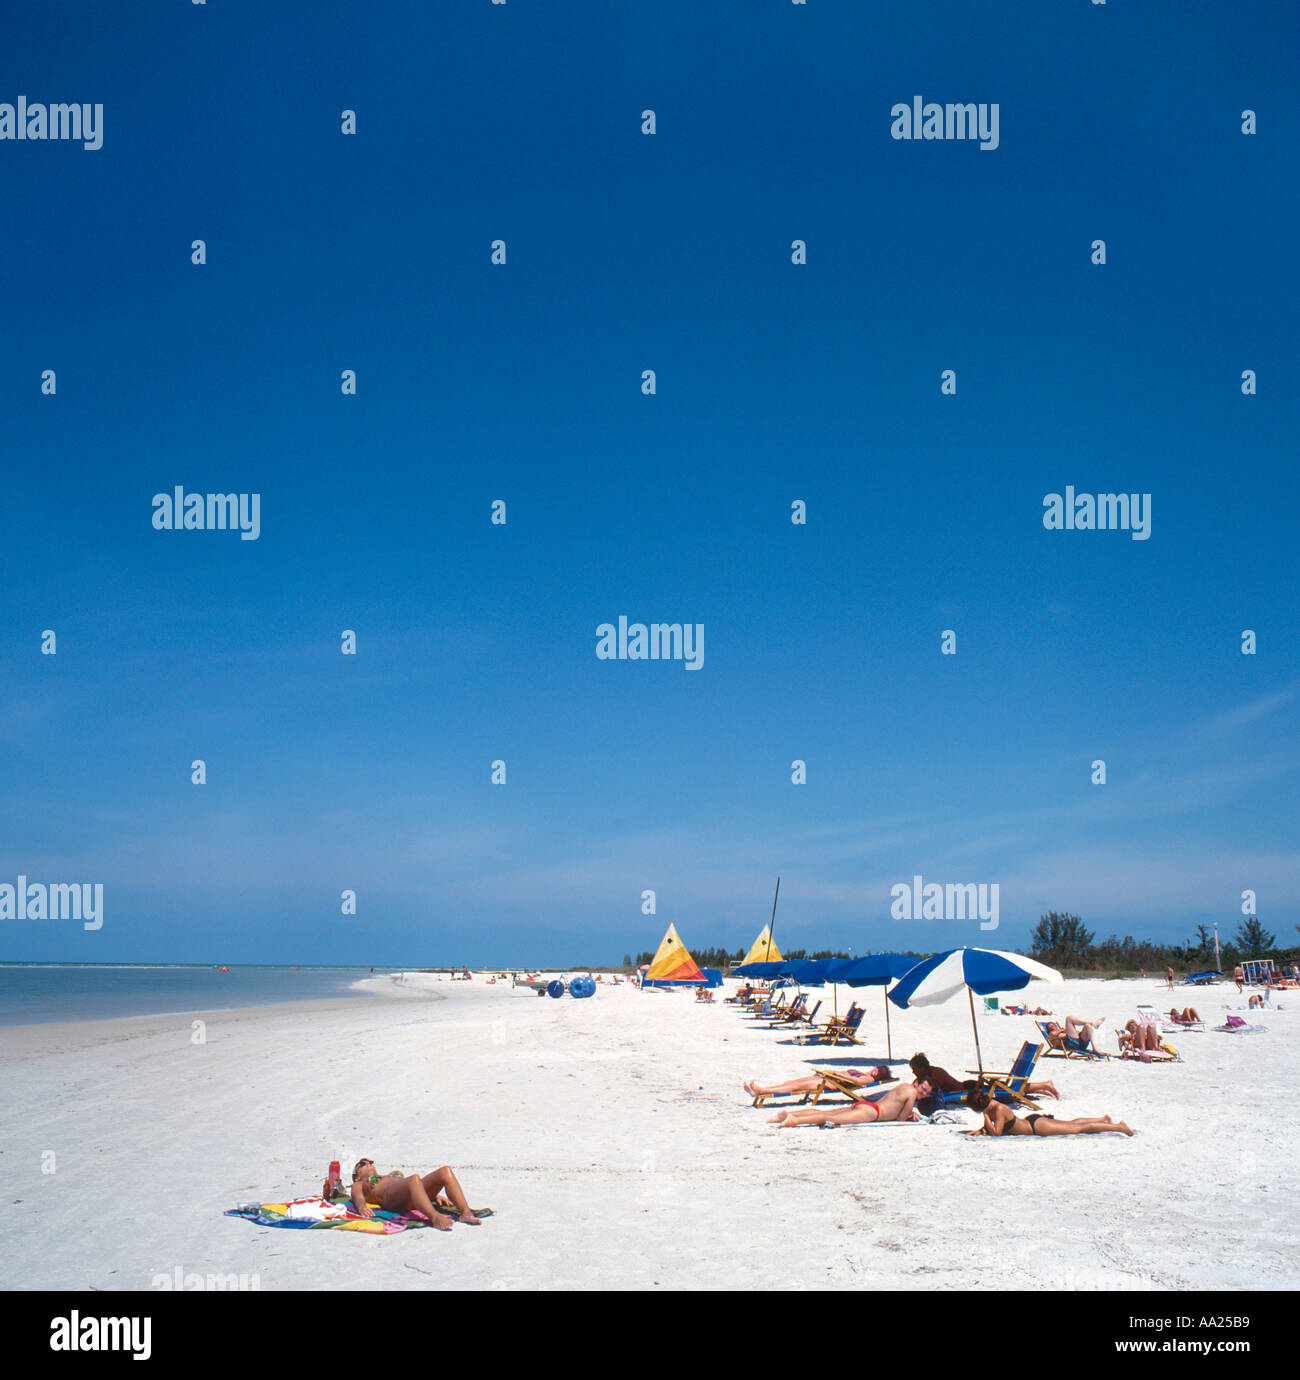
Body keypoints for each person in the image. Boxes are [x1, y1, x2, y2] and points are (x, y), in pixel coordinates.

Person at [350, 1159, 480, 1229]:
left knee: (445, 1171)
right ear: (356, 1177)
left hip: (408, 1193)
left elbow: (412, 1186)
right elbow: (357, 1196)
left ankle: (465, 1213)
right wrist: (361, 1206)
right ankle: (435, 1218)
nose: (368, 1164)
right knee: (414, 1179)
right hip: (390, 1198)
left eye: (370, 1162)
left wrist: (434, 1196)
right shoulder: (360, 1183)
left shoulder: (389, 1175)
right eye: (362, 1164)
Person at [909, 1050, 1059, 1106]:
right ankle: (1043, 1089)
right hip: (966, 1086)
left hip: (968, 1089)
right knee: (1006, 1090)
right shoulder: (931, 1072)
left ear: (921, 1067)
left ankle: (1045, 1084)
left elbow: (930, 1091)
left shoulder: (935, 1074)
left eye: (914, 1069)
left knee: (1006, 1091)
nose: (913, 1072)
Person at [967, 1088, 1133, 1137]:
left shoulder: (997, 1110)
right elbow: (993, 1127)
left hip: (1037, 1127)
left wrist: (985, 1118)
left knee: (1078, 1129)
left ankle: (1119, 1128)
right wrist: (981, 1130)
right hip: (1033, 1122)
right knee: (1071, 1124)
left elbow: (996, 1132)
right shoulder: (992, 1106)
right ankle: (1102, 1119)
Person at [767, 1078, 928, 1128]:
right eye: (923, 1088)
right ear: (916, 1084)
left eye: (926, 1092)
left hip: (867, 1106)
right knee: (830, 1118)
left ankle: (788, 1114)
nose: (923, 1093)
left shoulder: (903, 1086)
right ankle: (793, 1120)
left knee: (828, 1113)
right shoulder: (912, 1093)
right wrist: (910, 1115)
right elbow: (900, 1118)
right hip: (872, 1113)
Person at [745, 1065, 892, 1100]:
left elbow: (855, 1080)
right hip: (828, 1078)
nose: (875, 1070)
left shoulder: (869, 1078)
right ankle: (762, 1089)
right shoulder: (867, 1073)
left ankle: (760, 1091)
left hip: (831, 1083)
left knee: (794, 1087)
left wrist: (839, 1074)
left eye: (878, 1071)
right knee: (791, 1082)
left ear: (877, 1074)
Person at [1043, 1016, 1107, 1057]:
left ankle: (1095, 1048)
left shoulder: (1062, 1030)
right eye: (1050, 1026)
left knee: (1087, 1026)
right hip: (1071, 1044)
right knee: (1068, 1018)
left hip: (1081, 1043)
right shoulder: (1051, 1033)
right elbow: (1054, 1035)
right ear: (1048, 1029)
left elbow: (1076, 1033)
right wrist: (1062, 1030)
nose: (1053, 1026)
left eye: (1053, 1025)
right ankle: (1093, 1023)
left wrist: (1075, 1032)